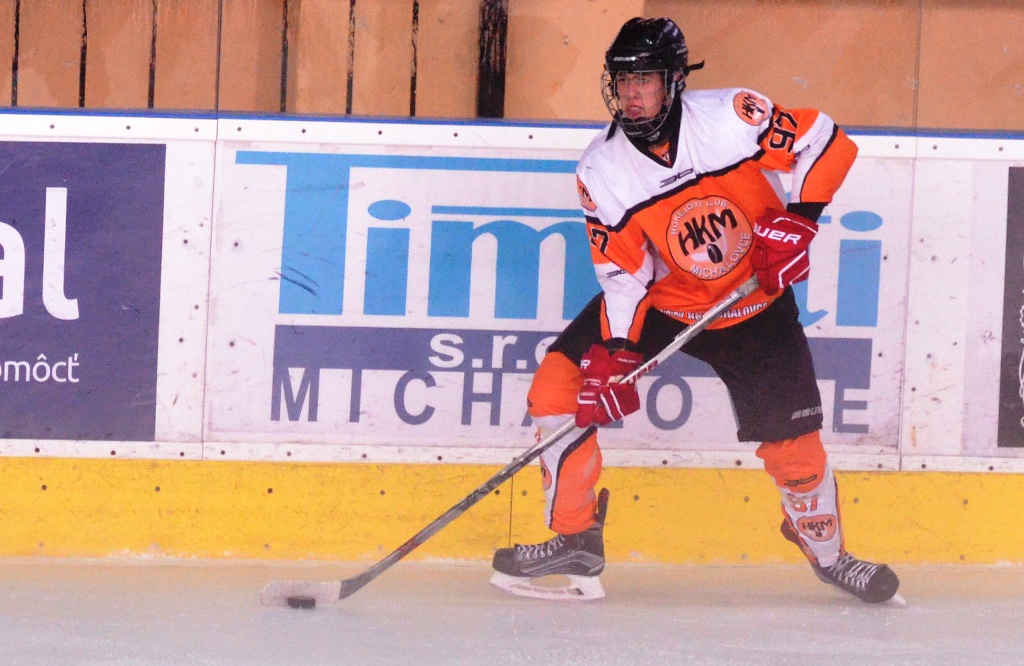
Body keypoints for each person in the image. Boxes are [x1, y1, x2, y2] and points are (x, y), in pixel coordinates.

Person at [489, 16, 900, 604]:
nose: (631, 94)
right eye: (622, 81)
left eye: (645, 80)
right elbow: (624, 275)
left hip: (754, 303)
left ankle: (830, 556)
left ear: (674, 80)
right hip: (667, 303)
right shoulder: (602, 168)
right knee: (560, 386)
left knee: (796, 450)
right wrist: (619, 352)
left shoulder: (732, 117)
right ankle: (576, 537)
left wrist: (799, 221)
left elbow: (827, 140)